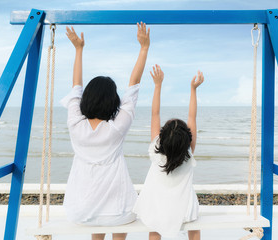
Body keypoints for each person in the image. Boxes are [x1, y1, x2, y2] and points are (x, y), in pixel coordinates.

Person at [60, 22, 150, 240]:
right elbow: (134, 84)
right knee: (118, 217)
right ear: (113, 102)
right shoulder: (117, 128)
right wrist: (144, 48)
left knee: (96, 221)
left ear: (86, 99)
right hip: (118, 212)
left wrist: (78, 50)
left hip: (82, 211)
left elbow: (76, 86)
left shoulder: (75, 124)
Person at [133, 65, 204, 240]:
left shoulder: (155, 151)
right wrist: (193, 90)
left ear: (161, 139)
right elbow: (192, 117)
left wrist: (157, 85)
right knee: (194, 227)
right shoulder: (188, 154)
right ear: (188, 140)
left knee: (155, 227)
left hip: (157, 206)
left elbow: (155, 114)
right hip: (184, 209)